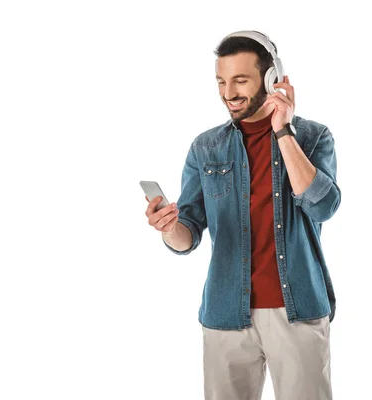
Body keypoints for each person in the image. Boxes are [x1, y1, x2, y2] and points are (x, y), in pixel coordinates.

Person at [144, 30, 341, 400]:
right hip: (226, 312)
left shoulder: (313, 137)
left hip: (297, 308)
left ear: (271, 78)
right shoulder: (206, 148)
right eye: (221, 81)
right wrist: (168, 228)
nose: (228, 92)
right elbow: (187, 234)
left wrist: (283, 130)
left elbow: (322, 206)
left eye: (240, 80)